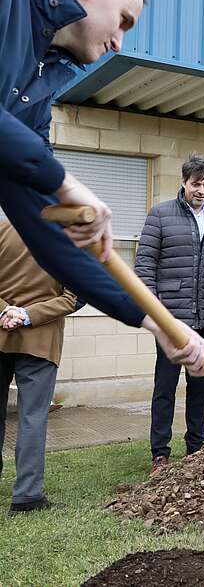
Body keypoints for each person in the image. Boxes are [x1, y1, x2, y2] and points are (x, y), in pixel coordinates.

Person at [0, 0, 204, 371]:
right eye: (124, 21)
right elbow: (44, 176)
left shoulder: (34, 94)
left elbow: (49, 232)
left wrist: (157, 323)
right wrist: (64, 181)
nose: (119, 42)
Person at [135, 155, 204, 476]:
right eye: (196, 184)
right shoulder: (160, 215)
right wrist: (153, 310)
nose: (202, 190)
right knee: (165, 388)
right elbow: (144, 266)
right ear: (184, 182)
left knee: (200, 387)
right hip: (171, 320)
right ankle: (160, 454)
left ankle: (196, 448)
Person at [0, 220, 78, 515]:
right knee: (32, 417)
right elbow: (73, 298)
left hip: (0, 330)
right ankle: (26, 497)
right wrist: (27, 315)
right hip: (41, 341)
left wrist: (6, 312)